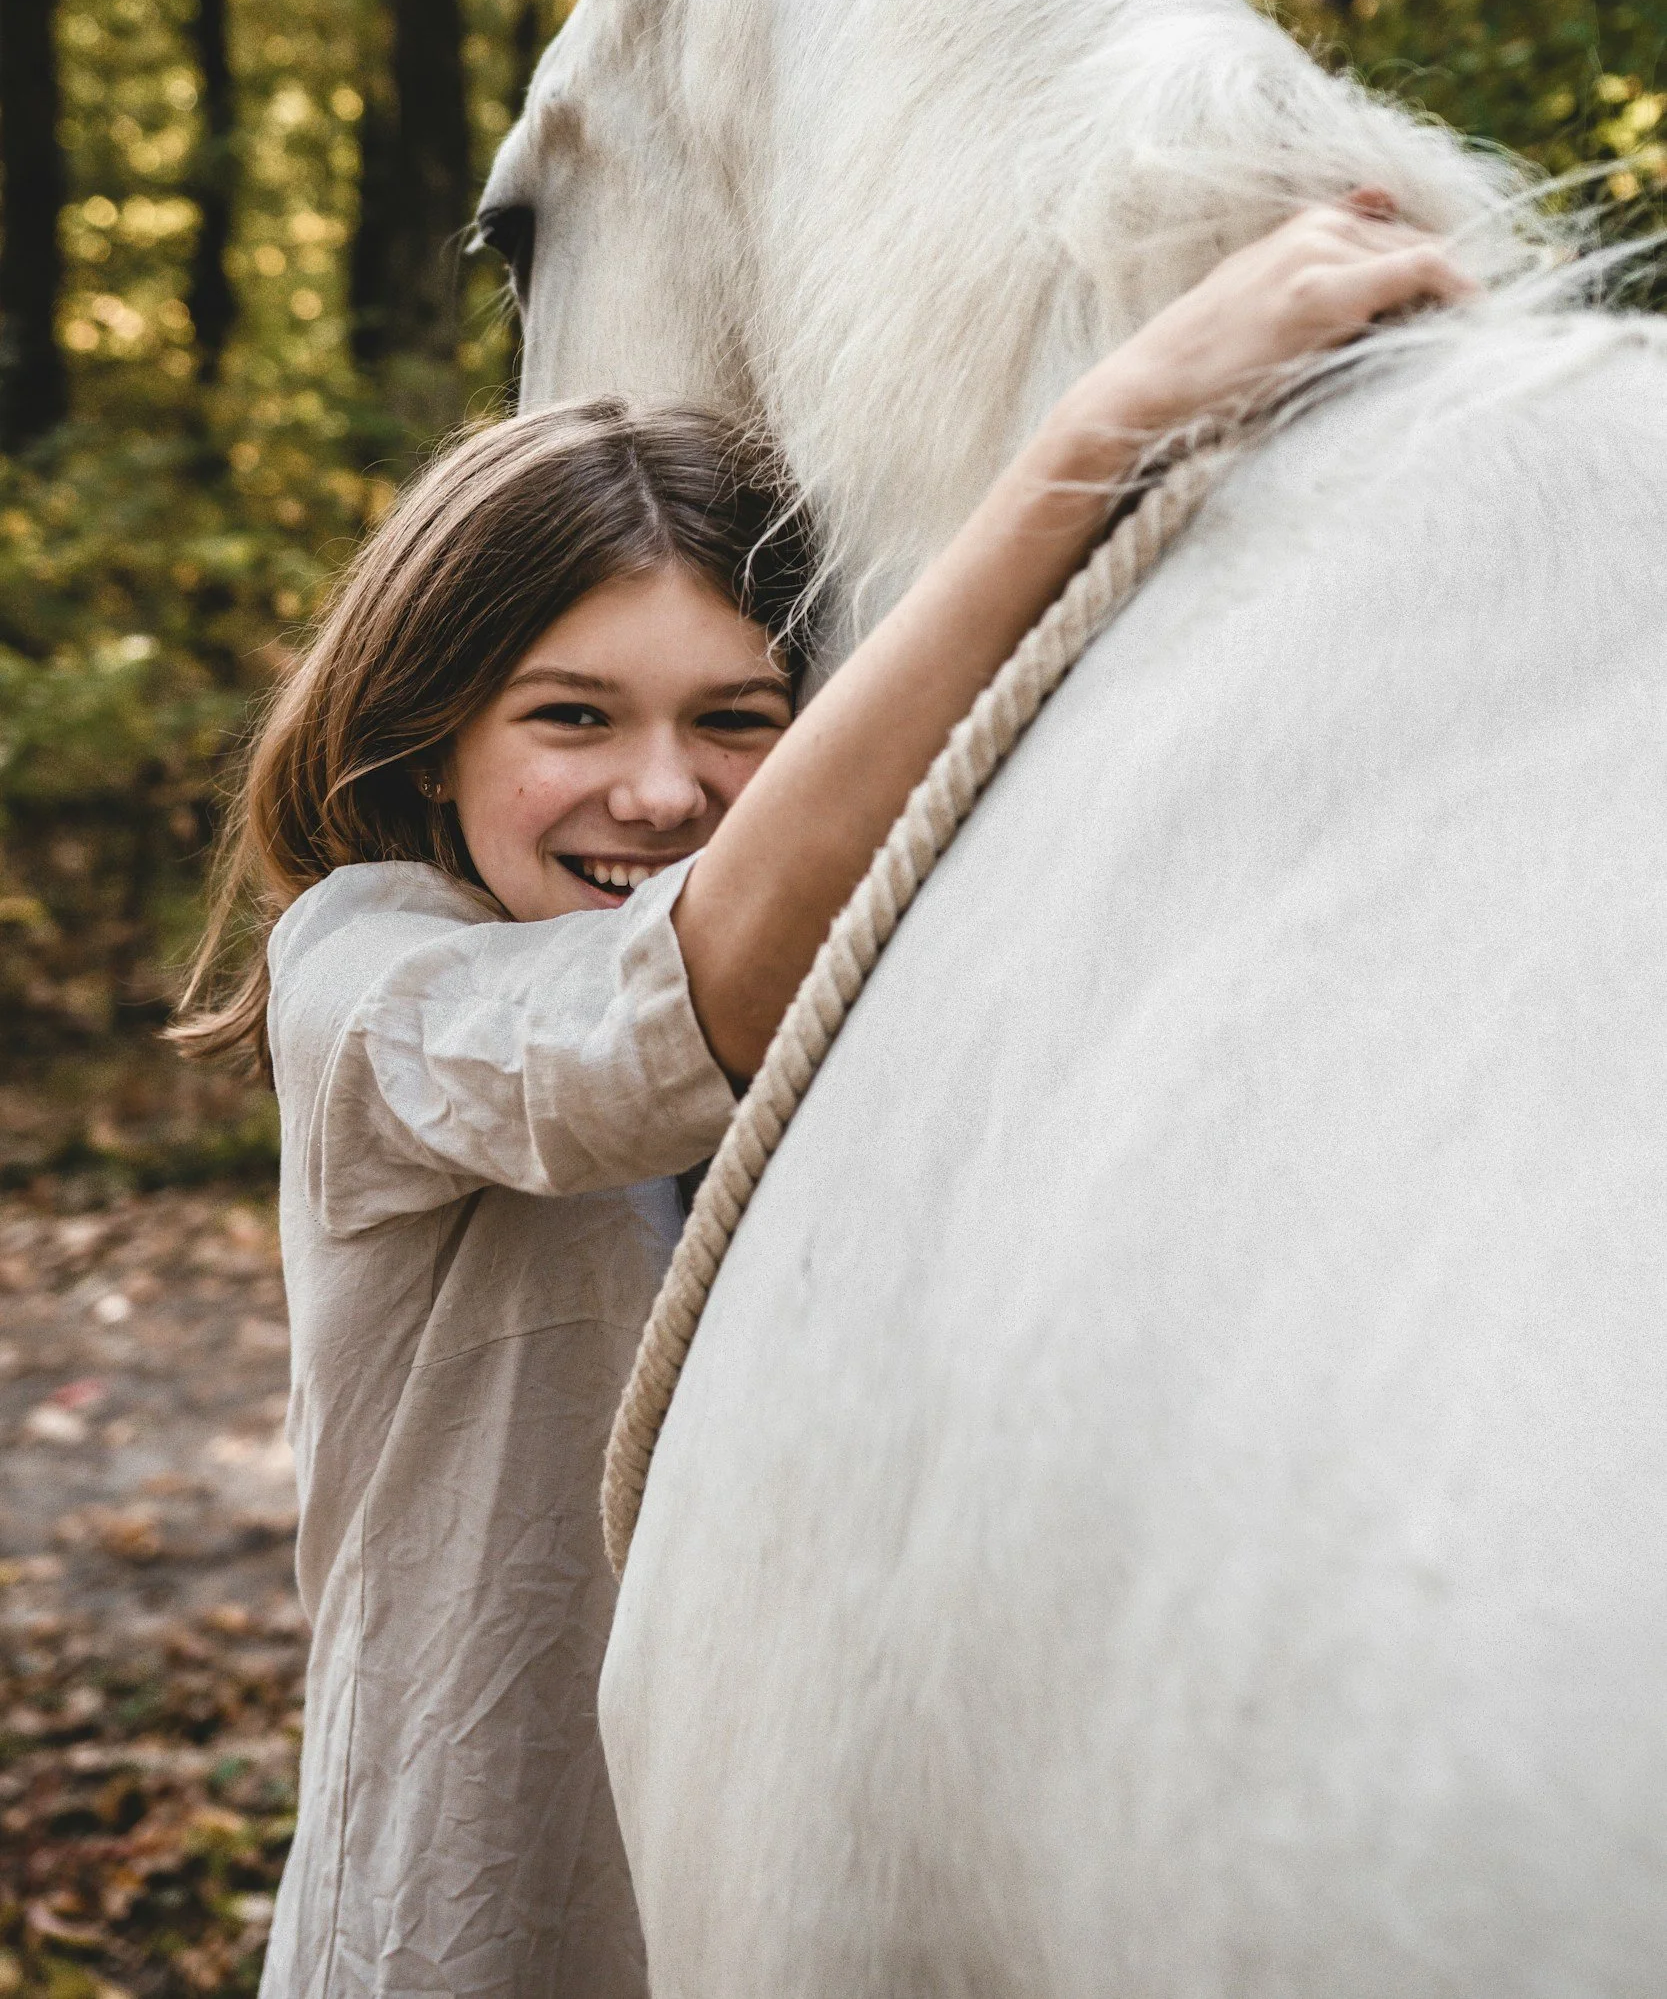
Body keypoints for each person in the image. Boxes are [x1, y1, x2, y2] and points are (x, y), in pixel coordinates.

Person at [172, 197, 1470, 1999]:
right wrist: (1096, 443)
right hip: (494, 1914)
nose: (660, 791)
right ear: (434, 734)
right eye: (569, 717)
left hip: (813, 1899)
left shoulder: (876, 1002)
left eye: (737, 717)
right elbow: (648, 1025)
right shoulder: (368, 976)